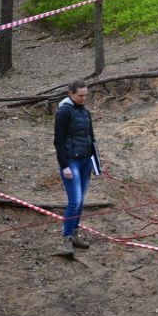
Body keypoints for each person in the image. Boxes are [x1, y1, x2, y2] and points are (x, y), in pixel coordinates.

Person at [54, 79, 96, 256]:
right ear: (70, 93)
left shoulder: (85, 112)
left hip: (86, 161)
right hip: (71, 162)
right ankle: (66, 239)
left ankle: (75, 234)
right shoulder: (63, 112)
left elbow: (91, 138)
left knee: (81, 201)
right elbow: (58, 141)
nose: (83, 98)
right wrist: (64, 166)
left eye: (86, 95)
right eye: (80, 95)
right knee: (75, 201)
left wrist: (95, 162)